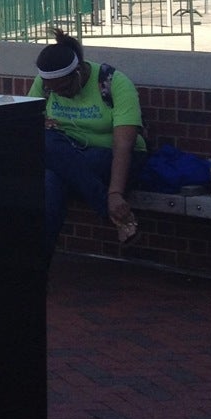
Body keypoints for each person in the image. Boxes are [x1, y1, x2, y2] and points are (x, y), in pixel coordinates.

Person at [31, 30, 148, 259]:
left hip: (112, 158)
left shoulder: (112, 82)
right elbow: (30, 123)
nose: (59, 95)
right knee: (50, 179)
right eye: (52, 91)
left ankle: (108, 207)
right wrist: (42, 122)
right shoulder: (46, 83)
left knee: (55, 165)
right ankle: (37, 270)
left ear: (78, 73)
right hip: (68, 157)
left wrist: (115, 192)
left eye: (64, 89)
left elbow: (123, 145)